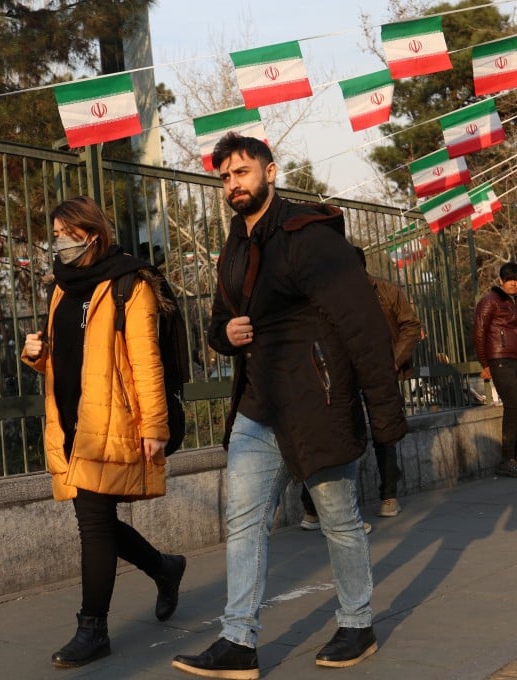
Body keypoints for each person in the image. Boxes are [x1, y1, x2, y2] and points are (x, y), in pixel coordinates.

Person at [171, 133, 407, 678]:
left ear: (270, 172)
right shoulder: (233, 245)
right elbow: (214, 325)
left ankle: (356, 622)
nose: (233, 184)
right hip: (258, 407)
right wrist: (226, 334)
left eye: (242, 172)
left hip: (316, 403)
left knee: (339, 520)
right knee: (244, 523)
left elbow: (362, 325)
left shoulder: (308, 236)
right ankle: (238, 642)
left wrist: (385, 414)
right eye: (225, 176)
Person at [21, 196, 186, 670]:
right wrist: (36, 352)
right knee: (99, 522)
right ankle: (164, 567)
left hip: (112, 419)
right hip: (70, 420)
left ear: (91, 234)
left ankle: (92, 629)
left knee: (93, 521)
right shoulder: (61, 287)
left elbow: (146, 361)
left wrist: (155, 425)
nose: (57, 243)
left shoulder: (130, 285)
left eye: (64, 234)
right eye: (54, 234)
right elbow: (65, 355)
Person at [299, 269, 422, 526]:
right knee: (336, 432)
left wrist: (393, 362)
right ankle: (313, 506)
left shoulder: (385, 290)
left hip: (380, 371)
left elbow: (410, 325)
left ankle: (389, 495)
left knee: (384, 431)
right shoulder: (329, 295)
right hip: (344, 373)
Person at [473, 262, 517, 478]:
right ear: (501, 280)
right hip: (500, 360)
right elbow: (479, 333)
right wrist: (485, 364)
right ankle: (507, 459)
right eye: (510, 279)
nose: (514, 283)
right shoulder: (489, 301)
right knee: (515, 408)